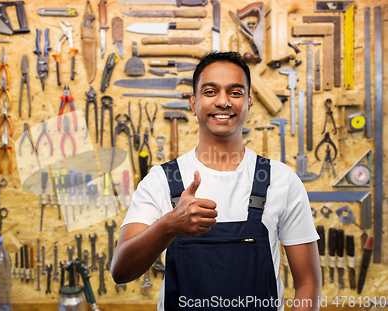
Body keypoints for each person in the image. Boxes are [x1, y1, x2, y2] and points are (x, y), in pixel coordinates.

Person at [111, 52, 321, 311]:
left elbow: (308, 284)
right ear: (193, 102)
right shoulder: (161, 180)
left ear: (248, 102)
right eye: (210, 91)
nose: (223, 101)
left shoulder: (281, 179)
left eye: (235, 92)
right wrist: (169, 226)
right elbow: (120, 270)